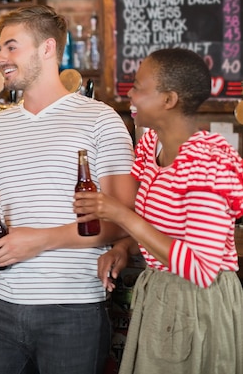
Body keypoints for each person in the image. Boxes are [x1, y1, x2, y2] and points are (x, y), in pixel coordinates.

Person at [0, 5, 137, 374]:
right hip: (3, 301)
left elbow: (125, 221)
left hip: (73, 307)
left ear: (47, 48)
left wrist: (38, 240)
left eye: (11, 47)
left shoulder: (101, 119)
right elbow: (7, 207)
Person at [74, 48, 243, 374]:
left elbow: (199, 269)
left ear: (169, 100)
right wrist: (124, 247)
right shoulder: (151, 145)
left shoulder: (206, 164)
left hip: (198, 303)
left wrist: (121, 216)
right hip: (162, 294)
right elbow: (160, 231)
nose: (129, 94)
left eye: (138, 86)